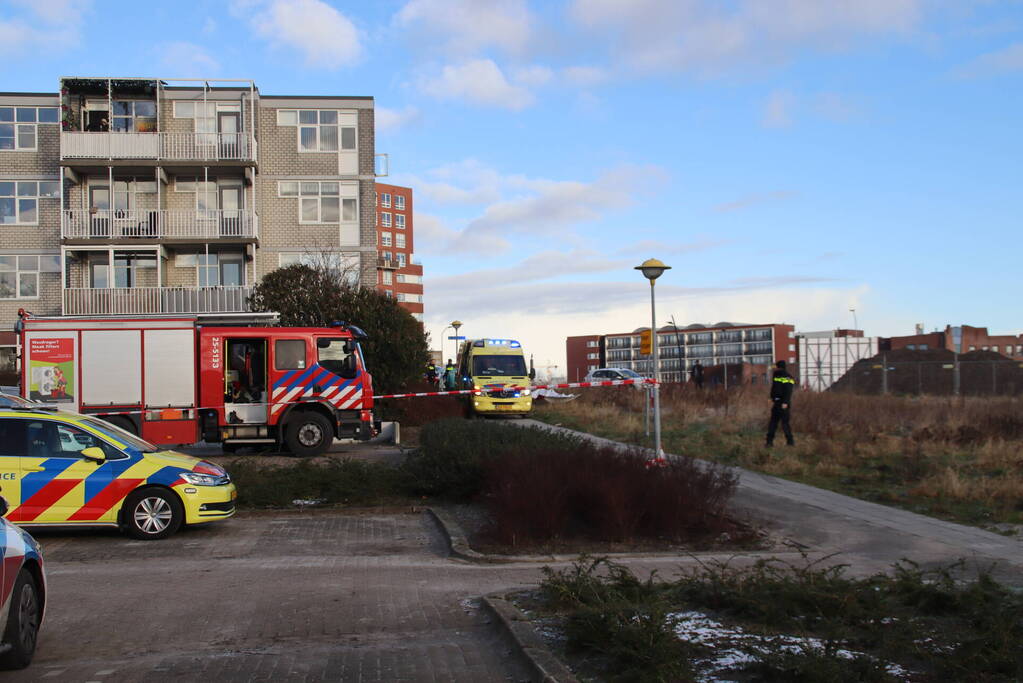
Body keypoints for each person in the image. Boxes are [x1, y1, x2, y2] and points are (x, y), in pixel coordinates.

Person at [766, 360, 795, 447]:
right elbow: (775, 388)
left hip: (782, 403)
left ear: (779, 367)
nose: (775, 368)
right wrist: (772, 398)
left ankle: (789, 442)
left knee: (781, 423)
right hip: (779, 402)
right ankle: (770, 442)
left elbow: (787, 390)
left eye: (776, 367)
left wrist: (785, 402)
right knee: (776, 423)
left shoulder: (786, 377)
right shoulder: (778, 376)